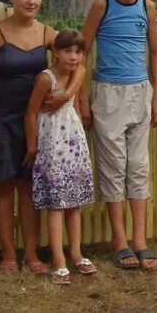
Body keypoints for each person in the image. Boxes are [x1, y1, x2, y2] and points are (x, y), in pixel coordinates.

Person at [0, 0, 84, 274]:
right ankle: (8, 255)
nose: (31, 2)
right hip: (2, 117)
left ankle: (32, 254)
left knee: (28, 186)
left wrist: (67, 93)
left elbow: (80, 61)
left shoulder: (48, 35)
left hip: (39, 121)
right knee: (3, 186)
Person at [77, 0, 157, 271]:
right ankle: (119, 240)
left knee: (138, 166)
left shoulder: (147, 7)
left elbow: (154, 52)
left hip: (140, 91)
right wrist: (82, 98)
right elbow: (82, 52)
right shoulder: (102, 5)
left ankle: (140, 239)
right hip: (108, 93)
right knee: (113, 165)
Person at [23, 29, 96, 283]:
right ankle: (59, 261)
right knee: (56, 204)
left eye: (78, 52)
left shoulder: (75, 74)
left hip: (73, 142)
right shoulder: (46, 79)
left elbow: (73, 104)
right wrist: (32, 146)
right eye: (67, 51)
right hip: (52, 143)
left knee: (74, 202)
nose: (73, 57)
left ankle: (76, 253)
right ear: (55, 52)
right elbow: (31, 112)